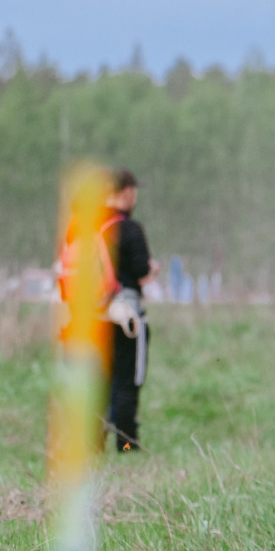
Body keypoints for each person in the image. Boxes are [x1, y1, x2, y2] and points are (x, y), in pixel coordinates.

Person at [103, 169, 151, 451]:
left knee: (100, 381)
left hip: (94, 315)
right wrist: (150, 272)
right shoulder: (131, 230)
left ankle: (91, 445)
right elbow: (142, 272)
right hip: (126, 316)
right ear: (127, 192)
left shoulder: (91, 228)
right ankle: (127, 446)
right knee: (127, 381)